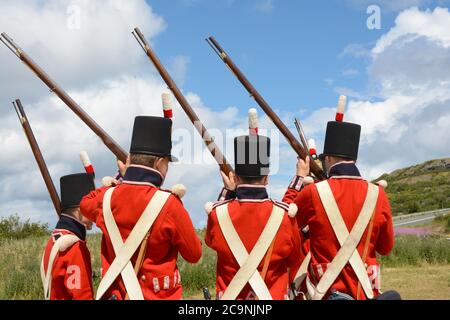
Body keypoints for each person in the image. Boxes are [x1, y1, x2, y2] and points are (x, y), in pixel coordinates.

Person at [80, 116, 202, 300]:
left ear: (129, 159)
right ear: (159, 163)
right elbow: (194, 254)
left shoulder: (107, 198)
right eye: (167, 164)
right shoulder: (169, 203)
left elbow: (85, 204)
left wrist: (120, 181)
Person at [291, 120, 395, 300]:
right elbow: (385, 248)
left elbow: (286, 231)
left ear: (328, 159)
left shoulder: (312, 193)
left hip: (325, 293)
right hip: (366, 292)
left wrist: (299, 180)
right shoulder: (378, 194)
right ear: (354, 159)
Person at [205, 134, 302, 300]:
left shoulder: (218, 214)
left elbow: (209, 241)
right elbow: (294, 259)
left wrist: (227, 192)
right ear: (266, 178)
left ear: (235, 178)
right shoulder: (284, 215)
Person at [40, 173, 95, 300]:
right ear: (81, 209)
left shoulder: (55, 239)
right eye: (91, 207)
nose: (95, 212)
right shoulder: (74, 245)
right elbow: (82, 296)